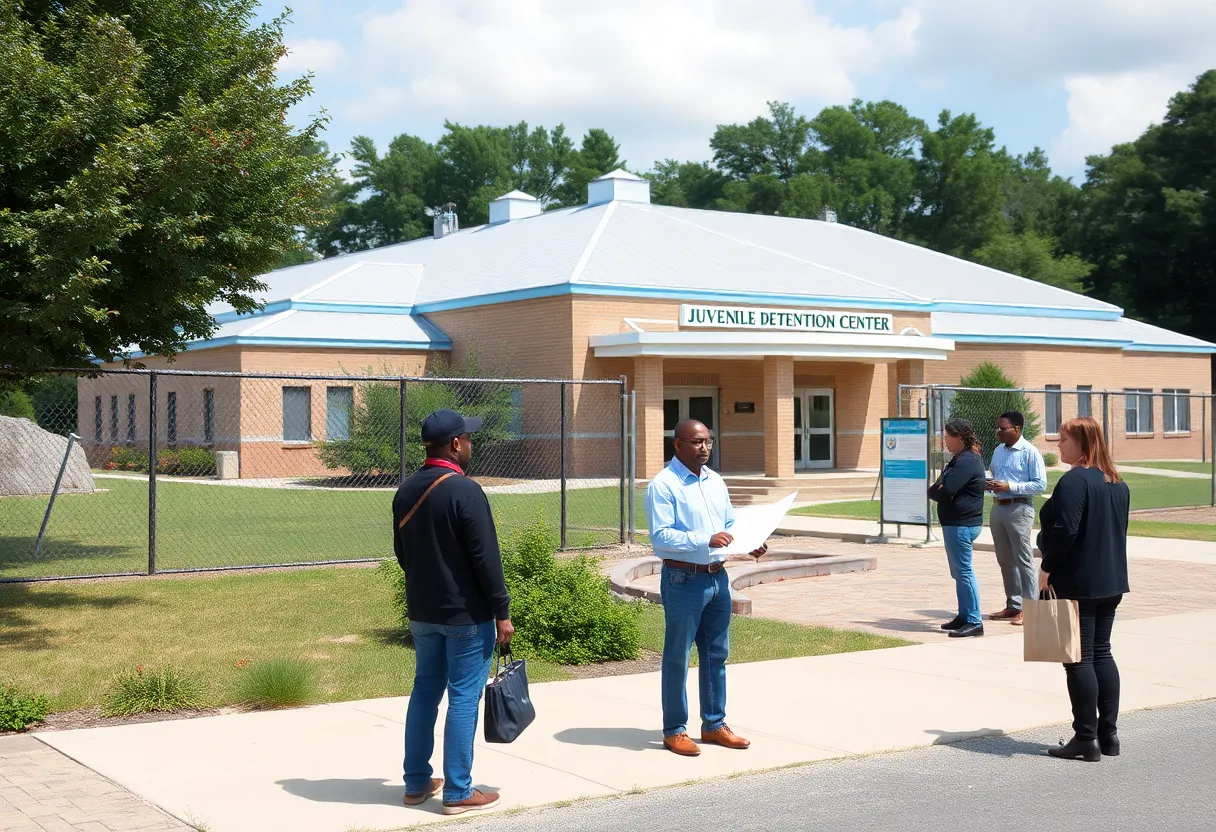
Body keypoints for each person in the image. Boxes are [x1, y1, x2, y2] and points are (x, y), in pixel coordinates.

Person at [393, 409, 514, 814]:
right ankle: (459, 791)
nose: (472, 445)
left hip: (422, 612)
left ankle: (415, 783)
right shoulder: (465, 491)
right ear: (456, 444)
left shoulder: (406, 490)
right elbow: (487, 560)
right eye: (469, 438)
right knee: (463, 697)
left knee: (425, 691)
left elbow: (402, 555)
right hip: (466, 616)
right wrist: (502, 611)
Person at [646, 419, 767, 756]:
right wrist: (705, 538)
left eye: (708, 442)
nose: (704, 448)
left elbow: (729, 524)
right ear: (678, 445)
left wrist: (749, 541)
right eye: (697, 442)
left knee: (716, 654)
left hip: (718, 577)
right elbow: (661, 537)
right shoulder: (664, 485)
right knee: (677, 656)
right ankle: (674, 730)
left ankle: (714, 724)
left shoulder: (714, 481)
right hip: (683, 579)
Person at [1037, 417, 1130, 762]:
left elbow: (1064, 531)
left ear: (1082, 444)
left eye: (1063, 440)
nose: (1058, 445)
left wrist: (1045, 568)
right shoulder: (1117, 482)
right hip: (1111, 581)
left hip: (1080, 582)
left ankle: (1085, 738)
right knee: (1101, 653)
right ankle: (1109, 735)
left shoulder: (1075, 481)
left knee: (1078, 658)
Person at [986, 411, 1048, 626]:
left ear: (1017, 429)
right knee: (1004, 559)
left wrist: (1010, 486)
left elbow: (1040, 485)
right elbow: (997, 477)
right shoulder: (998, 451)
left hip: (1019, 508)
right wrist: (991, 484)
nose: (999, 432)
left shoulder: (1030, 452)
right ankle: (1013, 605)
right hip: (998, 507)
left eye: (1003, 428)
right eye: (998, 428)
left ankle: (1030, 608)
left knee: (1023, 560)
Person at [928, 419, 988, 638]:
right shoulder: (959, 459)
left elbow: (944, 490)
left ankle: (974, 620)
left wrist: (940, 488)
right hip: (955, 523)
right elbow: (936, 489)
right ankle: (963, 616)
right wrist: (938, 488)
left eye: (948, 436)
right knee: (958, 572)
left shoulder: (967, 461)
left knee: (964, 572)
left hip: (962, 523)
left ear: (960, 437)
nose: (944, 440)